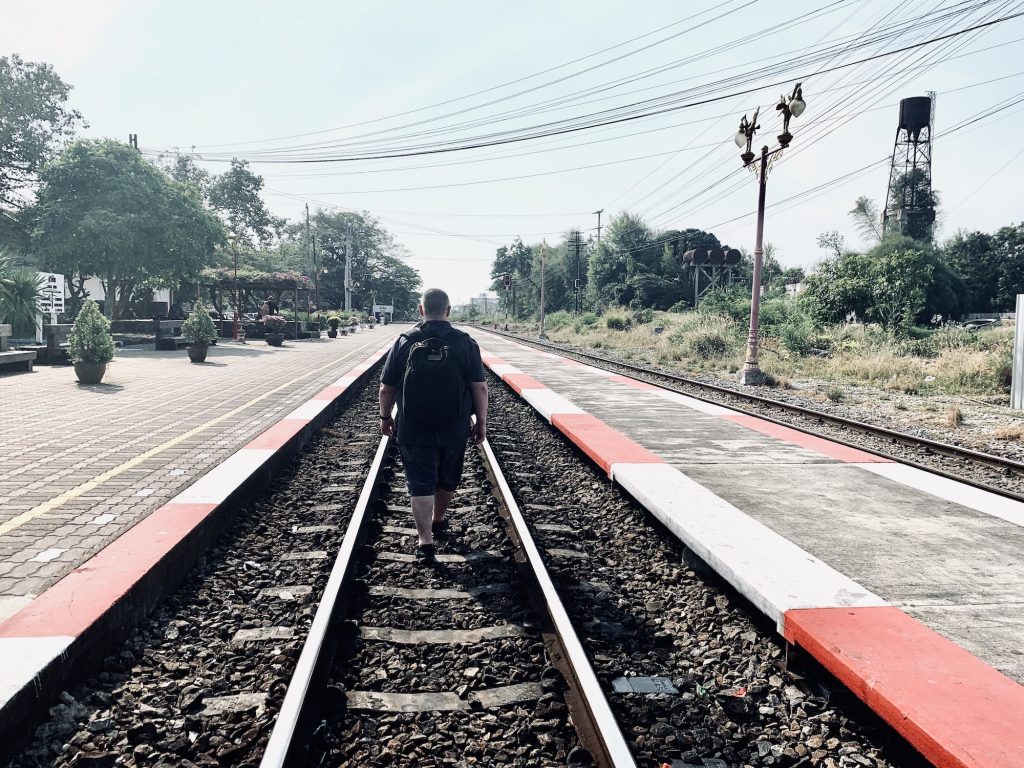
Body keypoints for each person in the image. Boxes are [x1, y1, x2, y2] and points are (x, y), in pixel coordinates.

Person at [379, 288, 488, 564]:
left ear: (421, 310)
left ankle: (425, 541)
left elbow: (385, 388)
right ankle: (439, 520)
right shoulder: (464, 343)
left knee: (420, 482)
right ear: (448, 311)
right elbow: (480, 388)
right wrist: (481, 423)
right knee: (447, 477)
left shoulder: (405, 341)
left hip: (413, 426)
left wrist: (385, 417)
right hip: (453, 426)